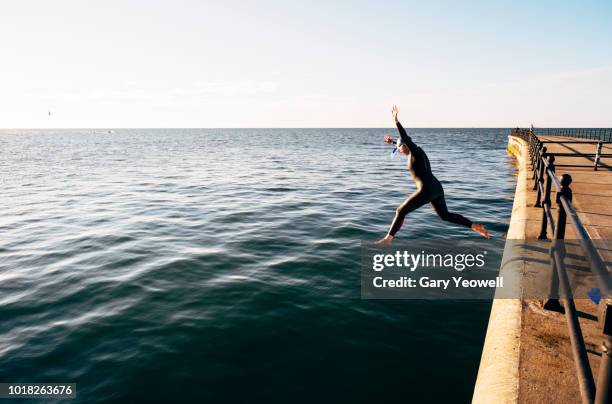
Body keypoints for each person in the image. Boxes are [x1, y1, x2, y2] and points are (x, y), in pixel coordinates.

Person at [376, 105, 490, 245]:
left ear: (404, 146)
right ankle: (474, 226)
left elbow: (404, 138)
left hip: (426, 190)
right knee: (445, 216)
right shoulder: (417, 151)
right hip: (436, 188)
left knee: (400, 211)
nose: (398, 151)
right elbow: (403, 142)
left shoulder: (413, 151)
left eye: (398, 148)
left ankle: (388, 240)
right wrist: (392, 142)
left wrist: (396, 121)